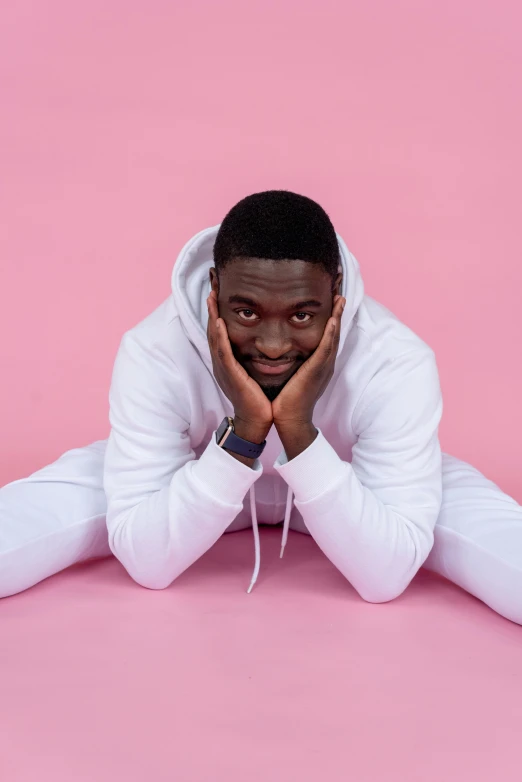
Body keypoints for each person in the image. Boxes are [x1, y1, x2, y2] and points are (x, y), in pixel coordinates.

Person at [1, 190, 521, 624]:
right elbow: (147, 560)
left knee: (481, 532)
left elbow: (384, 576)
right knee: (56, 507)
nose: (272, 345)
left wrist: (296, 426)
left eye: (302, 314)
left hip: (356, 481)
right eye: (246, 310)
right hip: (193, 472)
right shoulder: (153, 350)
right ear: (214, 291)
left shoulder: (396, 360)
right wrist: (246, 432)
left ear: (336, 295)